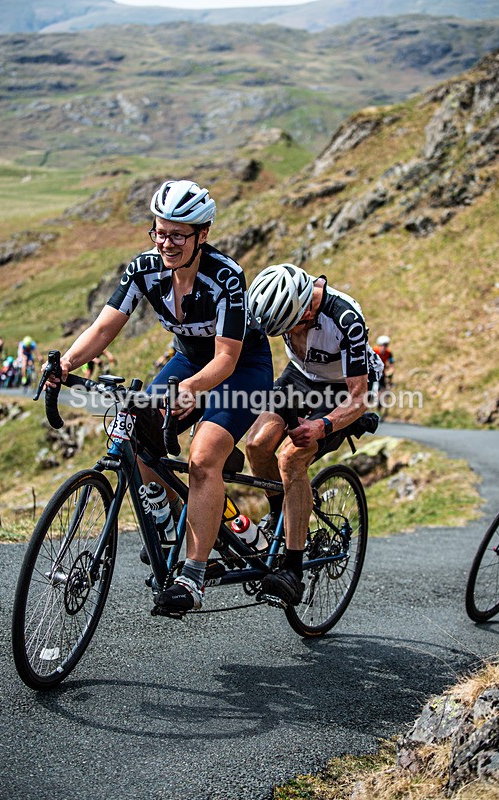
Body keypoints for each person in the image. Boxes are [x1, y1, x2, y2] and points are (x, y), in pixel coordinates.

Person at [44, 179, 273, 614]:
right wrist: (66, 364)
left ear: (201, 235)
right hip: (187, 360)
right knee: (136, 428)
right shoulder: (143, 269)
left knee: (203, 458)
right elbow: (104, 327)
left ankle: (193, 574)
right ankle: (168, 525)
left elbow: (225, 359)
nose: (166, 243)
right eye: (159, 232)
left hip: (242, 368)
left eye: (178, 235)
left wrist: (188, 391)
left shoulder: (224, 276)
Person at [245, 263, 382, 607]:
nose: (287, 336)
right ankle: (281, 518)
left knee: (290, 458)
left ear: (306, 308)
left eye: (289, 328)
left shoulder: (345, 320)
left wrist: (322, 426)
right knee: (257, 445)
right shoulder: (273, 304)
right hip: (301, 377)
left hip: (342, 388)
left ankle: (293, 569)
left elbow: (358, 397)